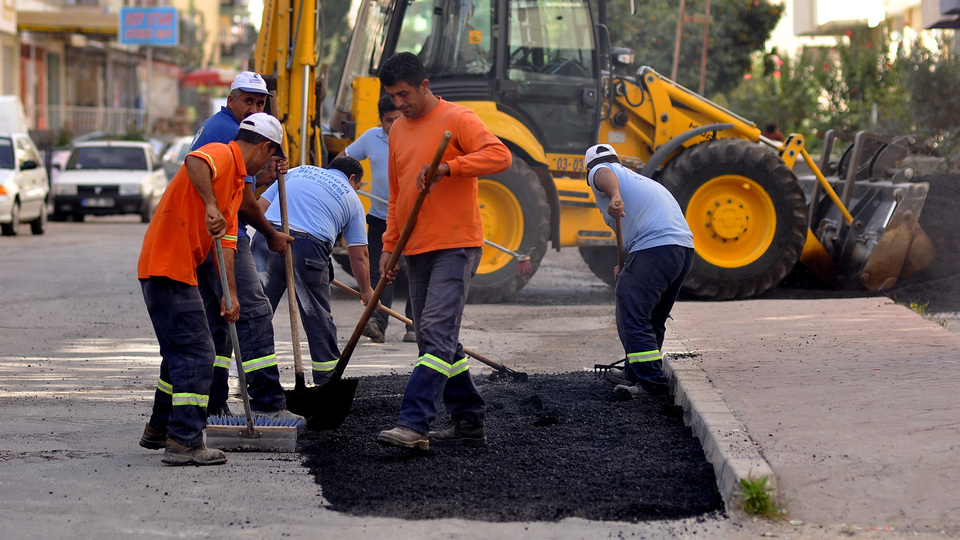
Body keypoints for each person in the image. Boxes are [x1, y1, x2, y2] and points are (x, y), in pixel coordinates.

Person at [374, 52, 511, 450]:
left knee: (432, 330)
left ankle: (414, 423)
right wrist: (390, 246)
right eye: (392, 97)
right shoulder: (398, 130)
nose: (399, 104)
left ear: (424, 85)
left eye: (404, 94)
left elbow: (499, 155)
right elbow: (398, 194)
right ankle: (469, 422)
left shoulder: (458, 119)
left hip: (456, 243)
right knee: (437, 340)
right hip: (415, 247)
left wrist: (449, 168)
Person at [137, 113, 286, 466]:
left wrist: (229, 294)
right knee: (197, 354)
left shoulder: (234, 186)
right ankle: (185, 441)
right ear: (265, 147)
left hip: (175, 269)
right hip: (168, 267)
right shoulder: (223, 153)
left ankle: (159, 428)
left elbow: (229, 245)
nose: (267, 165)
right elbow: (194, 160)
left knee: (181, 352)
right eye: (270, 156)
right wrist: (208, 205)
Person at [190, 71, 299, 422]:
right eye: (247, 100)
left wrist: (265, 174)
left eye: (259, 102)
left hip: (206, 237)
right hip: (221, 237)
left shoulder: (227, 130)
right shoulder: (228, 134)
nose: (252, 107)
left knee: (219, 320)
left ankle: (212, 402)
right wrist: (270, 233)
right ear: (230, 99)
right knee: (251, 310)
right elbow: (244, 203)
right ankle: (267, 403)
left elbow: (243, 189)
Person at [583, 144, 695, 398]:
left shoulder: (602, 172)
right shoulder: (639, 180)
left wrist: (613, 196)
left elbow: (603, 173)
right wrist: (624, 265)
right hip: (682, 250)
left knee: (631, 309)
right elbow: (634, 226)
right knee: (653, 316)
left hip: (656, 247)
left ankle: (651, 383)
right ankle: (637, 371)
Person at [251, 157, 375, 385]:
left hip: (266, 239)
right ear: (353, 178)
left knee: (257, 312)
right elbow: (359, 254)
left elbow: (259, 208)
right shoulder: (351, 197)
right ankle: (326, 382)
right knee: (317, 317)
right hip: (308, 248)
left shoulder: (297, 171)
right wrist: (367, 292)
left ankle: (253, 380)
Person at [337, 94, 415, 344]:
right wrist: (344, 182)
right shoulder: (372, 137)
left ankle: (415, 326)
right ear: (380, 121)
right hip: (381, 218)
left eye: (398, 118)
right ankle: (377, 323)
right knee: (382, 273)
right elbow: (342, 160)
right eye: (388, 120)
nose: (394, 124)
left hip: (414, 219)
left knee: (416, 271)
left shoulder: (415, 135)